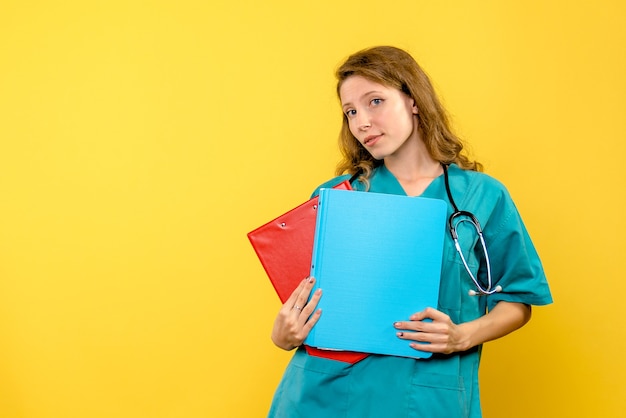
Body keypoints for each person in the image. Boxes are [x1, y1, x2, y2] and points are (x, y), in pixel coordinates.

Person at [267, 46, 552, 418]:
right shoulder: (338, 195)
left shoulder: (481, 196)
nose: (361, 122)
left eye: (375, 102)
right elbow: (306, 301)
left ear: (413, 100)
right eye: (350, 112)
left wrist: (462, 336)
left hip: (428, 397)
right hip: (325, 396)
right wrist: (282, 333)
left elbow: (517, 300)